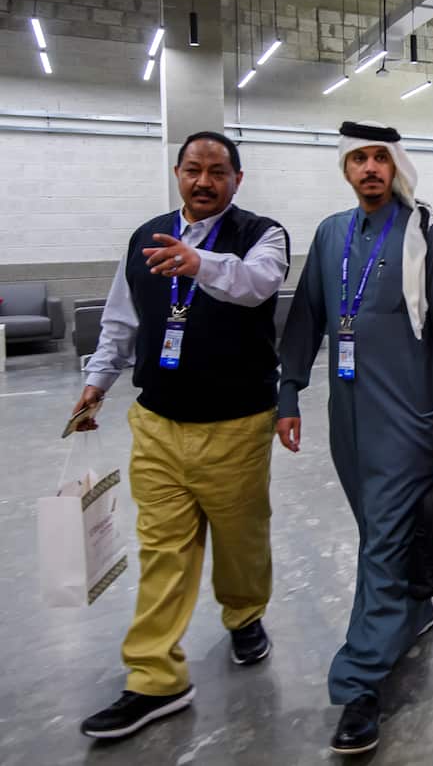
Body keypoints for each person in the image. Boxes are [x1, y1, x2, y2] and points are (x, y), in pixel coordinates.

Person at [73, 131, 290, 740]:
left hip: (237, 426)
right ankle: (153, 680)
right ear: (177, 173)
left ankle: (245, 616)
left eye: (217, 171)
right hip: (158, 423)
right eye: (193, 169)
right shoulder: (145, 237)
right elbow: (121, 320)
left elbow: (257, 284)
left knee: (241, 540)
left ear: (236, 180)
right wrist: (97, 381)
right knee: (163, 548)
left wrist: (199, 263)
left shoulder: (262, 234)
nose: (204, 181)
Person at [276, 120, 433, 755]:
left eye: (380, 158)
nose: (370, 168)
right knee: (379, 532)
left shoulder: (425, 237)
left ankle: (359, 682)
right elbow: (307, 316)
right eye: (358, 158)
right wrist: (288, 393)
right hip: (348, 420)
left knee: (385, 537)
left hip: (408, 418)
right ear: (345, 168)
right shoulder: (330, 234)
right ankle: (414, 609)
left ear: (395, 167)